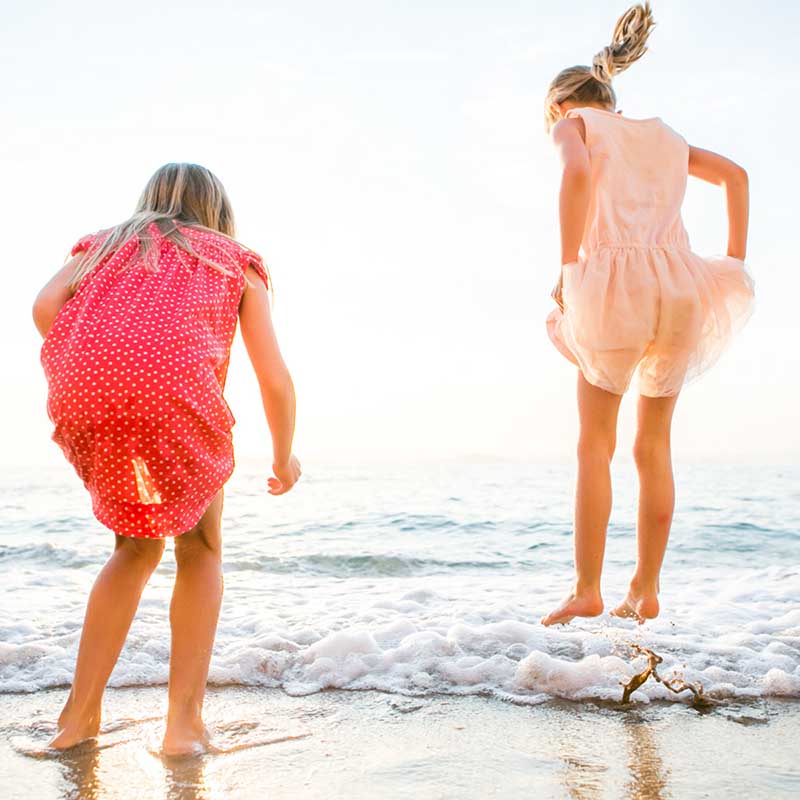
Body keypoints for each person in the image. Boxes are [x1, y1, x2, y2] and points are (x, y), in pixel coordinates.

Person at [33, 163, 301, 754]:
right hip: (174, 397)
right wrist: (284, 457)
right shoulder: (234, 259)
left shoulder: (103, 245)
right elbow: (273, 378)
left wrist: (105, 351)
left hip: (87, 393)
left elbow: (44, 306)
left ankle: (77, 720)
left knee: (133, 548)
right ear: (219, 211)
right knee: (200, 546)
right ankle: (183, 725)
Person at [540, 3, 754, 626]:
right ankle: (645, 587)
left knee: (594, 444)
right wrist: (732, 262)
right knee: (654, 446)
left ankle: (587, 588)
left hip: (614, 285)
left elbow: (575, 174)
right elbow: (737, 178)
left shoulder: (572, 124)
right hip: (681, 286)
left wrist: (569, 263)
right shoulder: (664, 137)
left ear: (560, 105)